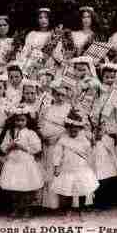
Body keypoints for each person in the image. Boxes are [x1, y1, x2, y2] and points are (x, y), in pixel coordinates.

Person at [51, 109, 99, 217]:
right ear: (67, 128)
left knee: (82, 189)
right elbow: (57, 154)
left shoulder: (84, 140)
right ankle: (68, 210)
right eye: (71, 128)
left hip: (81, 168)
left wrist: (92, 144)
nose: (73, 130)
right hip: (67, 169)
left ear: (80, 128)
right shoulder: (63, 140)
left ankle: (81, 209)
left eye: (76, 129)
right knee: (68, 190)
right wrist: (56, 166)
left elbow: (89, 153)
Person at [0, 105, 44, 219]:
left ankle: (26, 209)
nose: (19, 123)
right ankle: (15, 208)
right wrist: (10, 146)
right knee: (14, 187)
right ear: (13, 120)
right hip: (13, 162)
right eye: (17, 120)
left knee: (26, 187)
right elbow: (3, 147)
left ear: (27, 121)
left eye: (22, 120)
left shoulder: (30, 133)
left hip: (26, 162)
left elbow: (37, 147)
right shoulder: (10, 132)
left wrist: (23, 147)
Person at [38, 80, 72, 210]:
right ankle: (50, 203)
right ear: (53, 94)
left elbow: (71, 128)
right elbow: (40, 125)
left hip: (62, 144)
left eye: (63, 94)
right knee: (49, 170)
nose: (60, 97)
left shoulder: (69, 108)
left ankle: (63, 203)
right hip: (48, 144)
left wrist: (57, 138)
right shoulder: (47, 109)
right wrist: (44, 136)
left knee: (60, 172)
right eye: (57, 94)